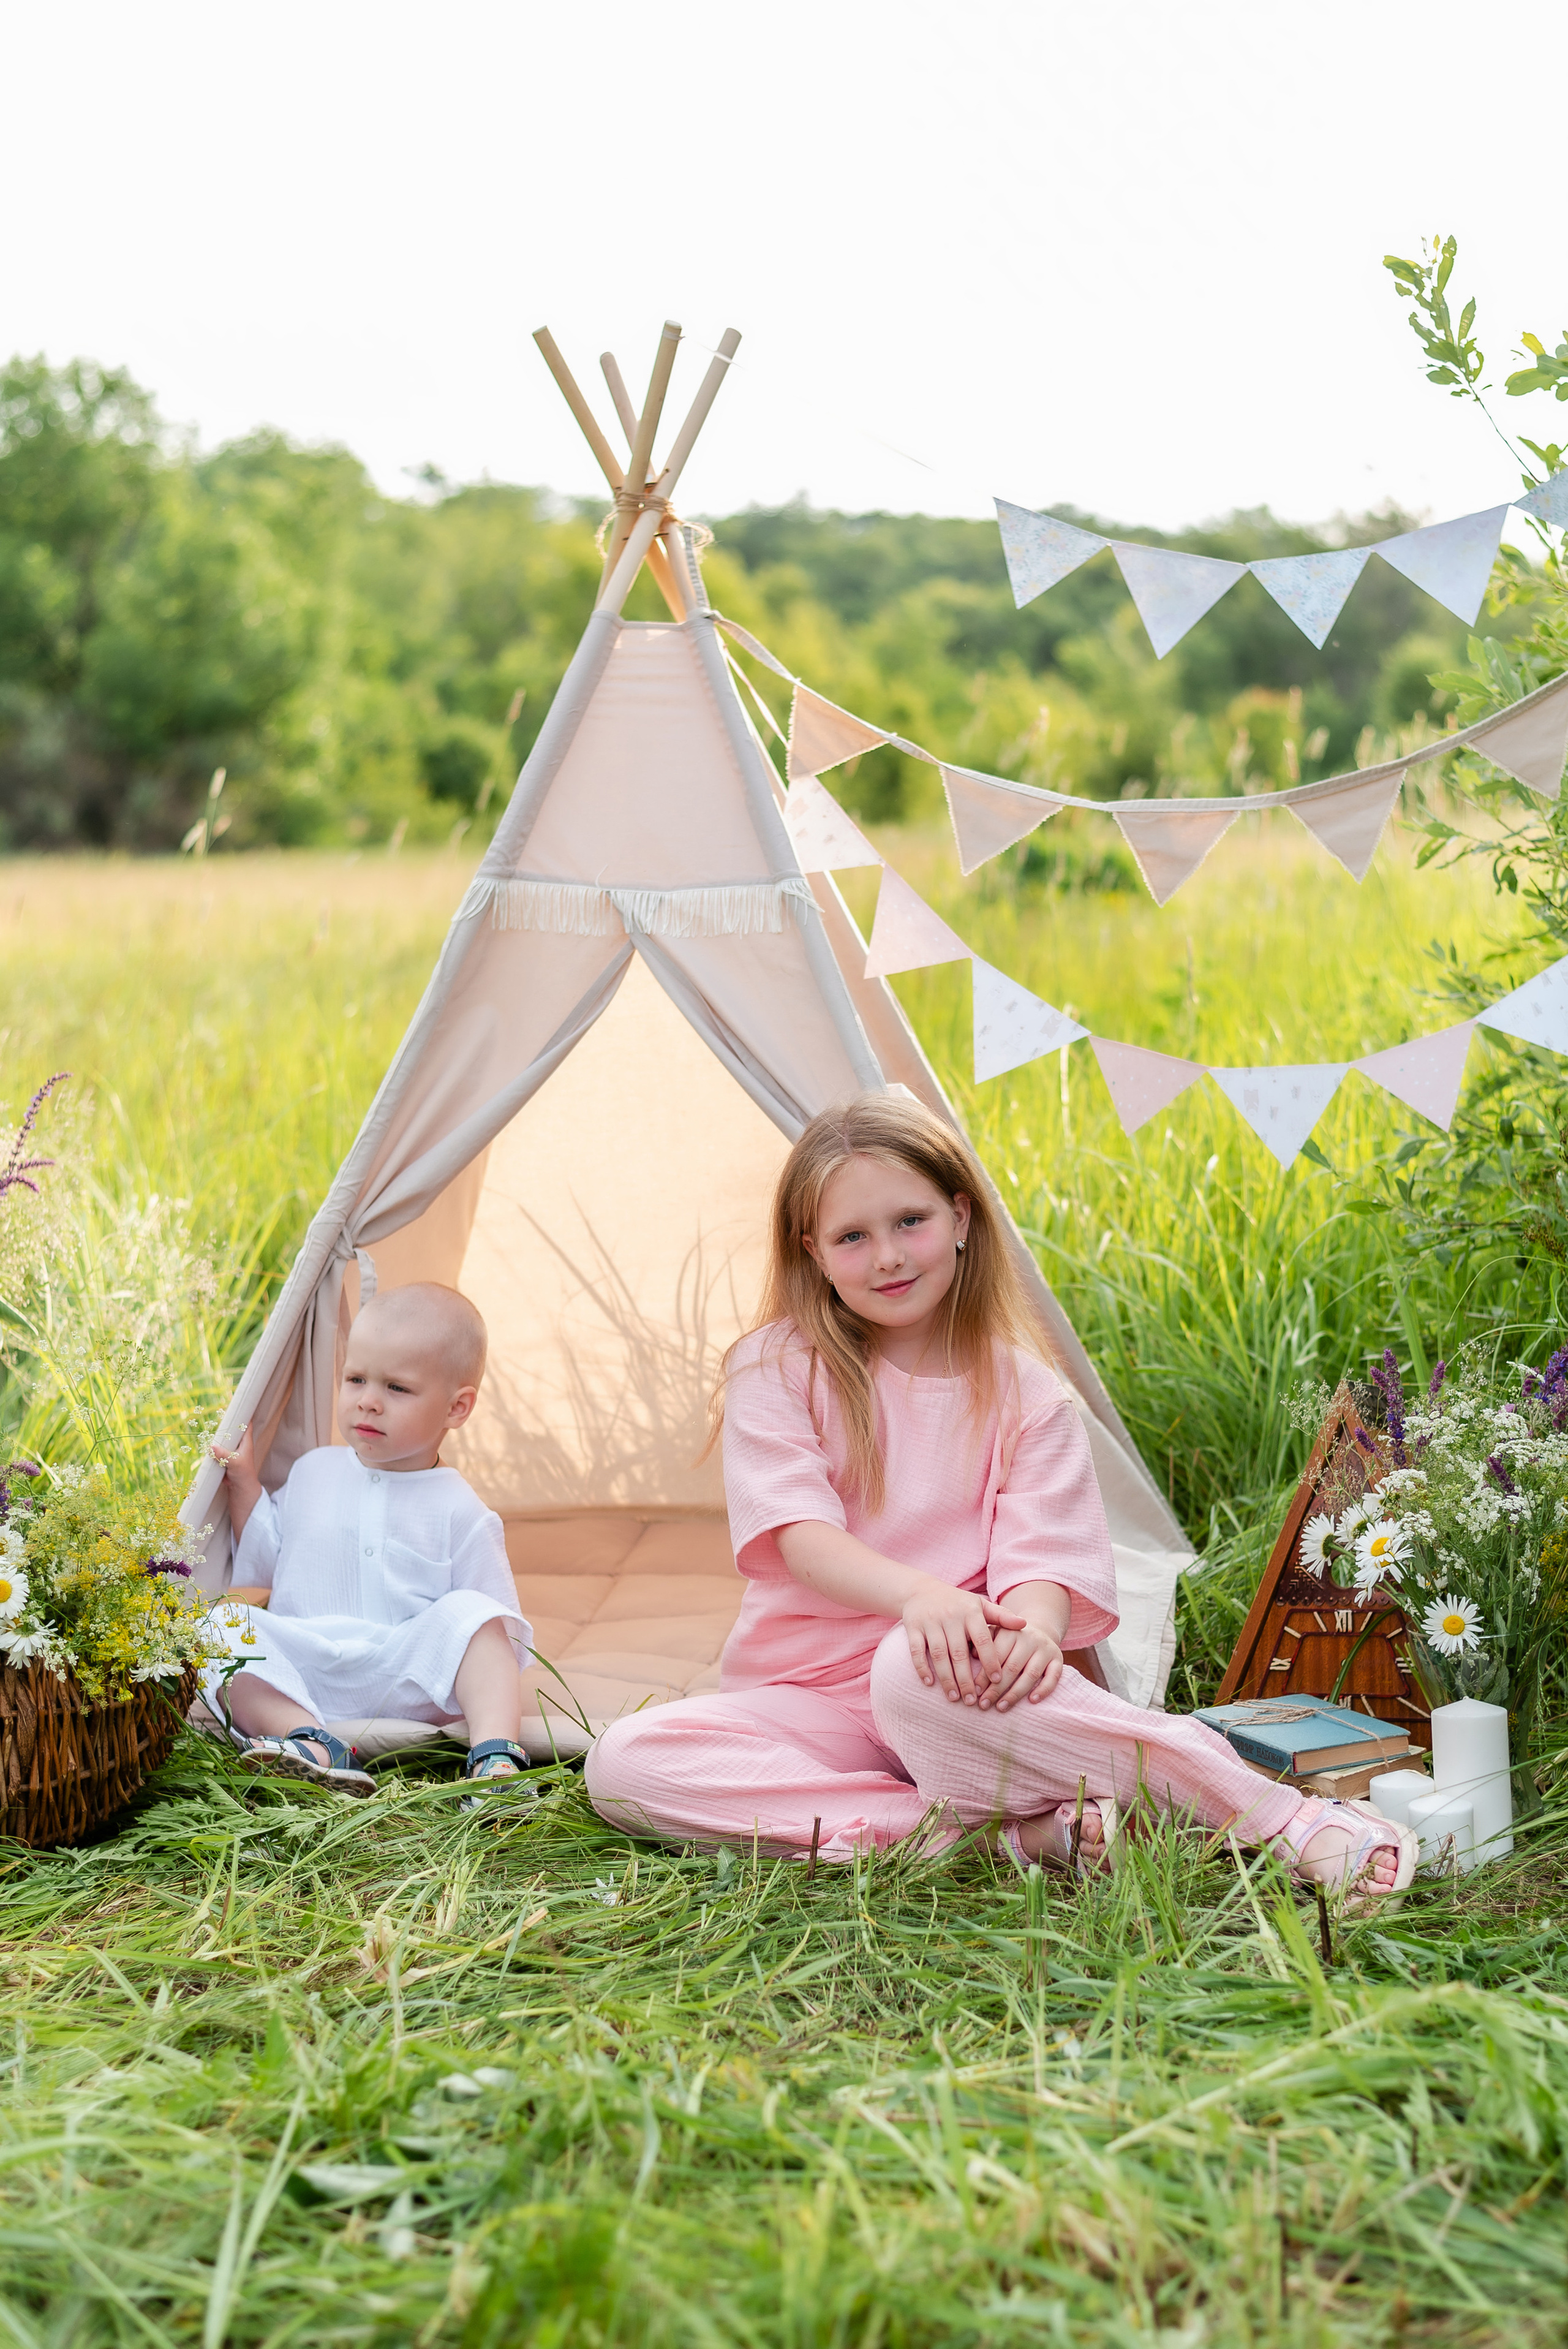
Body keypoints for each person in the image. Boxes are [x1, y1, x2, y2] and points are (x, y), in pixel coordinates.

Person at [586, 1095, 1416, 1903]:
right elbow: (800, 1534)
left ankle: (1293, 1823)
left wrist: (1035, 1638)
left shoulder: (1028, 1393)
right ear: (812, 1251)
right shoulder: (774, 1365)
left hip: (959, 1689)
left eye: (910, 1220)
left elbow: (1042, 1562)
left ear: (960, 1217)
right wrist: (921, 1596)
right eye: (852, 1236)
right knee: (624, 1762)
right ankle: (1012, 1839)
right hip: (813, 1704)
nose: (887, 1256)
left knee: (909, 1664)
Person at [207, 1281, 532, 1799]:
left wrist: (470, 1645)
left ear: (457, 1409)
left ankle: (494, 1762)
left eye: (396, 1388)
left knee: (480, 1617)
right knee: (219, 1625)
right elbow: (263, 1560)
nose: (368, 1403)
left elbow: (496, 1638)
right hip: (306, 1666)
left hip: (405, 1673)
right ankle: (311, 1743)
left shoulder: (460, 1506)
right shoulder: (314, 1471)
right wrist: (245, 1482)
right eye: (355, 1379)